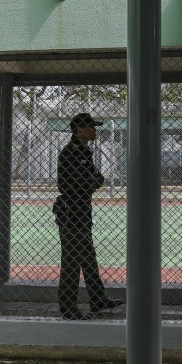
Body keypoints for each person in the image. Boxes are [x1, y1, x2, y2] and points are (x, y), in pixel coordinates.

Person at [53, 112, 124, 320]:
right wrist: (89, 185)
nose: (94, 130)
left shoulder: (84, 152)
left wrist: (88, 185)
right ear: (79, 130)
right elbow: (74, 185)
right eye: (91, 127)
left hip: (81, 211)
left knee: (88, 258)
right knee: (72, 261)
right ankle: (68, 308)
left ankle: (98, 299)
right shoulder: (72, 153)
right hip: (72, 213)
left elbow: (96, 179)